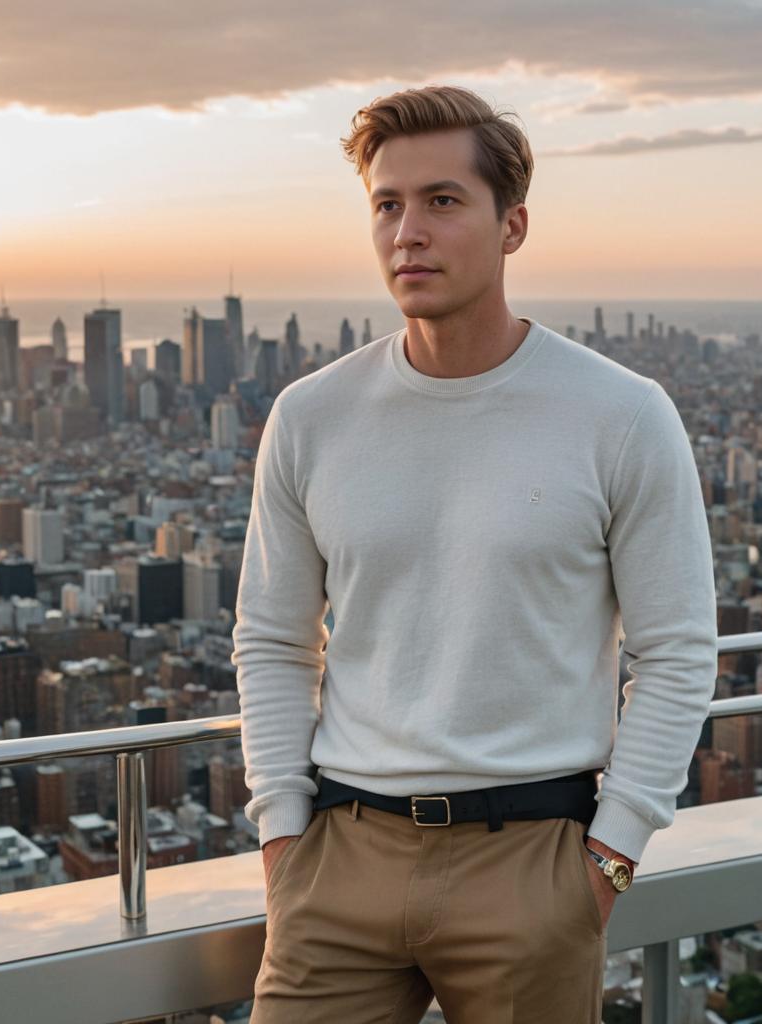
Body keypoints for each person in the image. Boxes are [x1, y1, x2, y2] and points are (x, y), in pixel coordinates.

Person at [231, 83, 718, 1024]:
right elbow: (273, 641)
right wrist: (283, 836)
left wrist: (608, 858)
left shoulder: (621, 414)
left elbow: (677, 650)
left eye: (443, 201)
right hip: (340, 853)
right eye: (387, 204)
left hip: (533, 857)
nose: (407, 231)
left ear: (512, 226)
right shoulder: (310, 417)